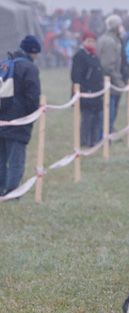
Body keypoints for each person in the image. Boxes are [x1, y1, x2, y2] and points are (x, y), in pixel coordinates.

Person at [0, 35, 42, 198]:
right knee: (16, 159)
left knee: (1, 157)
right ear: (32, 52)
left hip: (1, 117)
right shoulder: (29, 68)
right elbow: (32, 97)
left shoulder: (3, 64)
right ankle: (13, 192)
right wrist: (32, 115)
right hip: (19, 119)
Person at [70, 31, 103, 147]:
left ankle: (93, 140)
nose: (91, 43)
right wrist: (80, 90)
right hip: (85, 92)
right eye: (88, 41)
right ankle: (83, 140)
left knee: (96, 118)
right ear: (83, 41)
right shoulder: (79, 56)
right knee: (87, 118)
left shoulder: (94, 55)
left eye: (93, 41)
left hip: (96, 92)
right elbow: (76, 76)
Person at [96, 14, 125, 134]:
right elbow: (108, 65)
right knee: (109, 111)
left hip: (109, 81)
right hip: (110, 82)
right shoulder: (109, 42)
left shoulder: (109, 39)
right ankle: (106, 133)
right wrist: (118, 81)